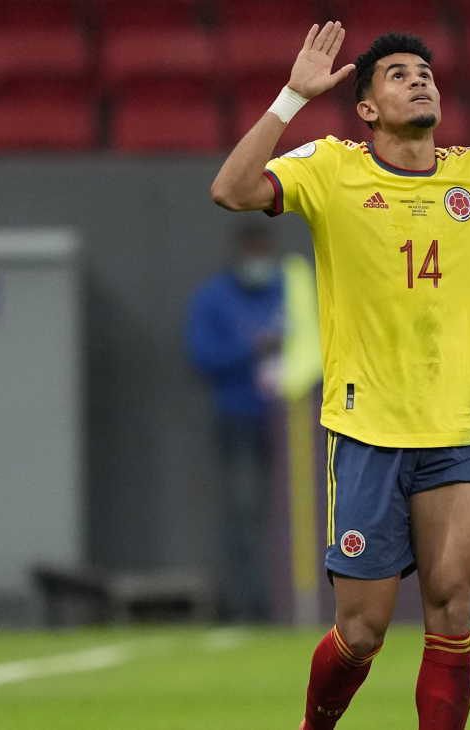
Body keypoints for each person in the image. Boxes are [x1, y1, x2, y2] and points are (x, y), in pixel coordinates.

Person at [209, 23, 470, 730]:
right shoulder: (330, 168)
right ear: (366, 108)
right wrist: (290, 98)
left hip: (455, 433)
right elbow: (232, 189)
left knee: (452, 608)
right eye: (398, 74)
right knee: (362, 631)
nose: (419, 79)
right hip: (367, 432)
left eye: (424, 73)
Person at [185, 226, 285, 622]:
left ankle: (304, 601)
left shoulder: (289, 291)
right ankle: (252, 604)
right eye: (251, 253)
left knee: (298, 512)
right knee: (244, 511)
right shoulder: (213, 297)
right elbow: (201, 356)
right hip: (239, 416)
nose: (258, 261)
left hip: (295, 421)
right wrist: (251, 348)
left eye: (263, 252)